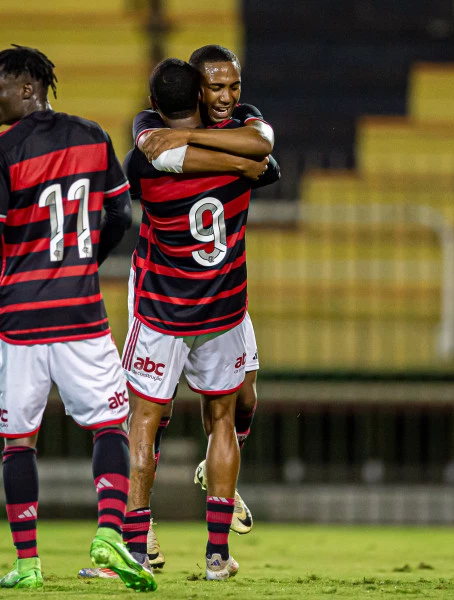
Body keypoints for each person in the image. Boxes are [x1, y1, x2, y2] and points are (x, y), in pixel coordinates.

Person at [0, 44, 156, 592]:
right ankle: (110, 533)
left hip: (20, 320)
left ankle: (27, 564)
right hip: (81, 314)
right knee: (107, 425)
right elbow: (120, 213)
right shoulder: (93, 135)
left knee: (19, 441)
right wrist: (87, 260)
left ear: (26, 89)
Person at [119, 57, 272, 581]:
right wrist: (237, 164)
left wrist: (159, 136)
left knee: (143, 418)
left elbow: (144, 160)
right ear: (201, 95)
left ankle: (134, 546)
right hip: (222, 307)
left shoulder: (144, 159)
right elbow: (262, 160)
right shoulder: (244, 158)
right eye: (217, 87)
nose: (228, 96)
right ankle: (215, 555)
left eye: (233, 85)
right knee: (224, 417)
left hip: (164, 308)